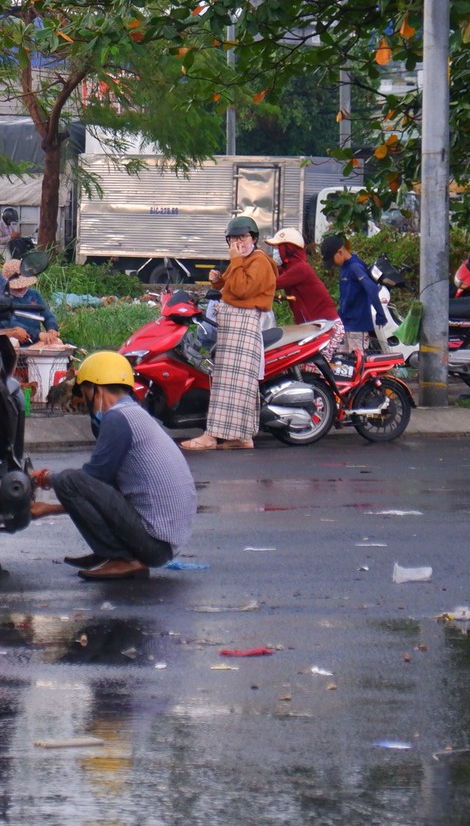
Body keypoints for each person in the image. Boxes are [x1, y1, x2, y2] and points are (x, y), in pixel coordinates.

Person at [28, 352, 196, 581]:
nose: (84, 400)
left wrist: (46, 478)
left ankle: (121, 558)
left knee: (68, 480)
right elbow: (101, 490)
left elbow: (90, 480)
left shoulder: (117, 418)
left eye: (85, 391)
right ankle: (109, 553)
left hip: (154, 543)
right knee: (74, 482)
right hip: (161, 542)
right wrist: (50, 509)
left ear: (96, 389)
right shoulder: (134, 414)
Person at [183, 215, 275, 451]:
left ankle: (212, 435)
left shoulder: (259, 261)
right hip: (233, 324)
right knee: (235, 384)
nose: (238, 243)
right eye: (233, 238)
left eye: (243, 237)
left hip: (243, 324)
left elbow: (244, 290)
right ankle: (241, 437)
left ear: (253, 238)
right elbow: (233, 287)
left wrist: (234, 261)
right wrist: (219, 281)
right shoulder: (244, 261)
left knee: (231, 384)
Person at [322, 234, 388, 371]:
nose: (333, 265)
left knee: (358, 365)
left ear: (340, 252)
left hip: (358, 326)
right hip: (347, 324)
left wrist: (380, 313)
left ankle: (365, 390)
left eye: (333, 261)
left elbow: (371, 289)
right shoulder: (345, 268)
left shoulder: (355, 267)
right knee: (344, 366)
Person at [268, 228, 337, 326]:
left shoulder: (300, 268)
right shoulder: (288, 268)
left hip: (326, 325)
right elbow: (269, 273)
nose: (275, 252)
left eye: (277, 248)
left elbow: (271, 285)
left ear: (288, 249)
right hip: (313, 324)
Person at [0, 263, 59, 345]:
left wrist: (52, 328)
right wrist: (38, 334)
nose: (21, 288)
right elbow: (12, 323)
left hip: (36, 339)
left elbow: (47, 315)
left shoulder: (34, 294)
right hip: (15, 342)